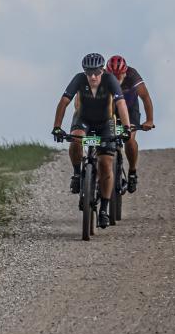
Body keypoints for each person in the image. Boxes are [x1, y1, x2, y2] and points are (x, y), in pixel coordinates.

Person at [52, 53, 132, 228]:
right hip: (83, 120)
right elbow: (64, 101)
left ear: (102, 70)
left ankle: (103, 208)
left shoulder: (110, 80)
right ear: (84, 72)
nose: (93, 76)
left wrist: (126, 128)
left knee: (105, 163)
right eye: (89, 73)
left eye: (96, 72)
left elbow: (121, 104)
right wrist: (57, 127)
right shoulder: (79, 79)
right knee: (76, 139)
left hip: (105, 122)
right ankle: (77, 174)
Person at [106, 55, 155, 193]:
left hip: (130, 108)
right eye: (112, 76)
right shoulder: (102, 76)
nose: (116, 79)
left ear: (125, 72)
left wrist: (149, 120)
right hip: (111, 108)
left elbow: (145, 97)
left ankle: (132, 172)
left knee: (129, 139)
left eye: (118, 75)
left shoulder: (132, 75)